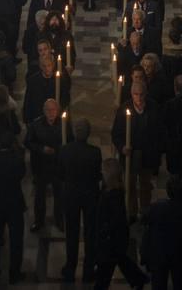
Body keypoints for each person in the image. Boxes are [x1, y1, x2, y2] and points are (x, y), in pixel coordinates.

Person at [94, 158, 149, 290]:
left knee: (106, 269)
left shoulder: (113, 196)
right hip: (115, 238)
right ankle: (138, 279)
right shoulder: (111, 191)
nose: (101, 172)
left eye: (103, 170)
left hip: (112, 238)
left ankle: (138, 279)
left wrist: (104, 232)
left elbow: (115, 220)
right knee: (121, 260)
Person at [59, 118, 102, 282]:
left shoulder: (64, 150)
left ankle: (70, 268)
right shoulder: (95, 152)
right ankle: (88, 270)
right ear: (88, 134)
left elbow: (60, 173)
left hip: (71, 195)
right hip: (90, 195)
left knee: (72, 232)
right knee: (90, 232)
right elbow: (97, 175)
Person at [111, 82, 163, 218]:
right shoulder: (124, 109)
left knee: (146, 186)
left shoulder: (154, 108)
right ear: (131, 94)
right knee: (130, 185)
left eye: (141, 95)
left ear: (146, 94)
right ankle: (132, 213)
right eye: (135, 95)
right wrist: (122, 147)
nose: (139, 98)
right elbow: (116, 134)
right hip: (131, 155)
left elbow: (160, 133)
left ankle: (145, 212)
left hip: (147, 154)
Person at [0, 131, 26, 285]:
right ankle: (14, 273)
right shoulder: (17, 161)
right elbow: (21, 175)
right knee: (16, 240)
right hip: (14, 203)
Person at [141, 176, 182, 290]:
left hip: (159, 251)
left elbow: (144, 220)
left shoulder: (156, 207)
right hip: (179, 251)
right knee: (180, 283)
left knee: (158, 284)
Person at [25, 98, 69, 232]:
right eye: (48, 110)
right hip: (41, 165)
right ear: (44, 111)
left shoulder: (64, 124)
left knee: (59, 194)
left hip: (57, 165)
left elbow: (70, 141)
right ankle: (39, 221)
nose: (51, 113)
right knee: (39, 195)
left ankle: (59, 220)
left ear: (57, 111)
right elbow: (28, 142)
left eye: (53, 110)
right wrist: (42, 149)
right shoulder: (36, 124)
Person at [23, 55, 71, 124]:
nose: (47, 68)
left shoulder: (60, 80)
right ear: (40, 66)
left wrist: (59, 107)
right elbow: (28, 101)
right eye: (44, 66)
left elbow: (66, 97)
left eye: (49, 65)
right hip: (38, 116)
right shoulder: (33, 81)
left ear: (53, 65)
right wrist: (27, 120)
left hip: (55, 117)